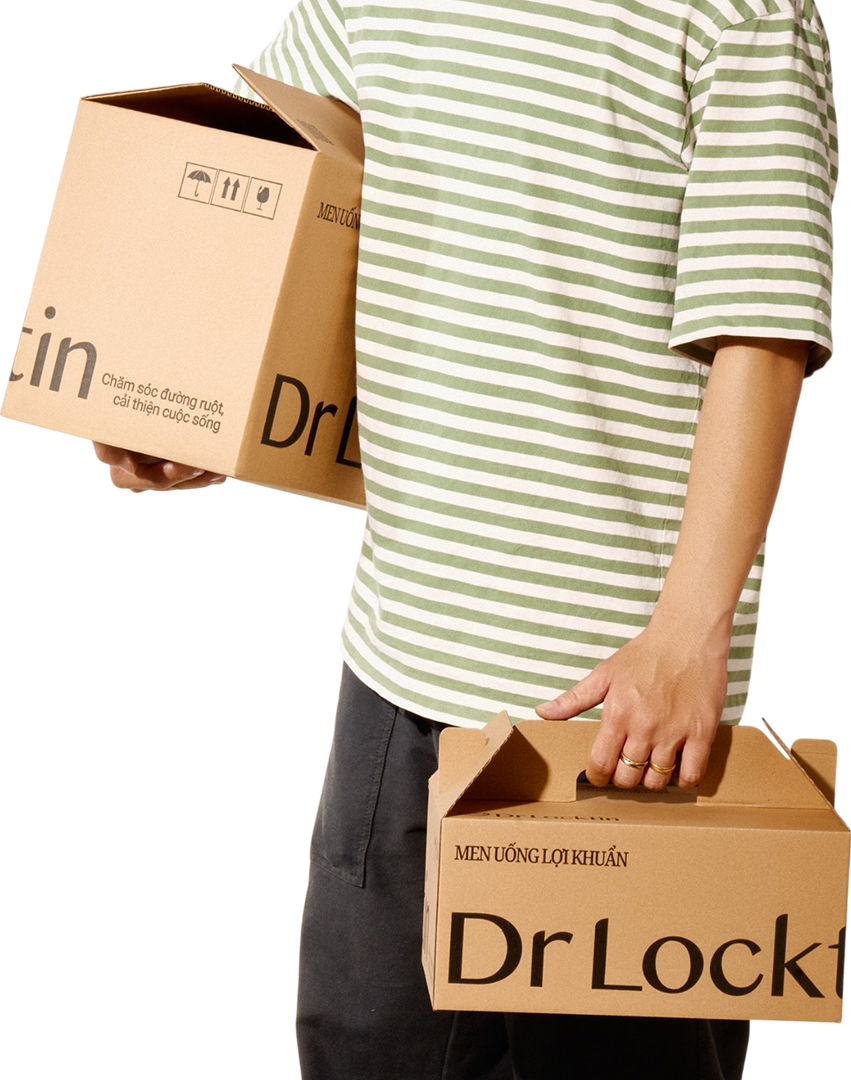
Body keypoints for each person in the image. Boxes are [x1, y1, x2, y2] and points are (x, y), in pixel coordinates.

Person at [98, 0, 838, 1076]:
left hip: (611, 696)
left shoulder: (739, 13)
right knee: (363, 1047)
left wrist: (685, 633)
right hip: (402, 656)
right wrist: (208, 387)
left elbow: (759, 328)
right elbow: (322, 185)